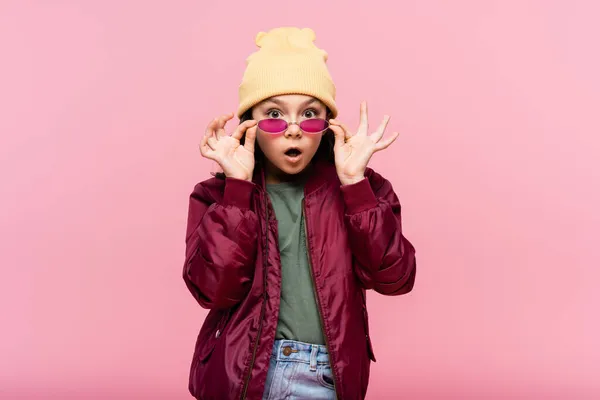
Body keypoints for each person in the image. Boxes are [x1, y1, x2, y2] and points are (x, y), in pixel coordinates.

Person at [183, 26, 416, 400]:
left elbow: (395, 278)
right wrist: (237, 189)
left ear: (326, 126)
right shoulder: (218, 196)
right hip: (243, 375)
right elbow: (214, 290)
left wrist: (355, 186)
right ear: (250, 125)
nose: (293, 130)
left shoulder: (360, 189)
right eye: (274, 115)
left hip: (328, 376)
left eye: (309, 115)